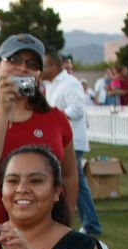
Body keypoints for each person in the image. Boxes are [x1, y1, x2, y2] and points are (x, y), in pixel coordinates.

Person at [0, 34, 77, 226]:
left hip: (39, 234)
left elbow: (68, 175)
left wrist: (65, 223)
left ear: (38, 76)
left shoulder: (56, 119)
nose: (23, 68)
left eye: (33, 64)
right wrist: (3, 112)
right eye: (14, 60)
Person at [43, 50, 101, 236]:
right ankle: (84, 222)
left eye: (43, 65)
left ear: (52, 66)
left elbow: (76, 110)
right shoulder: (51, 84)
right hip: (61, 140)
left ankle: (90, 224)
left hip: (72, 140)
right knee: (71, 182)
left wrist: (53, 115)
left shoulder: (70, 83)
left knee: (76, 183)